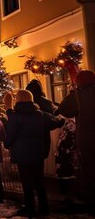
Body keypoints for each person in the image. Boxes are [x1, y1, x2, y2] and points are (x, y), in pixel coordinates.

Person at [5, 90, 63, 217]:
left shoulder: (16, 116)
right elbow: (56, 122)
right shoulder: (40, 115)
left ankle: (30, 208)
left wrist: (7, 143)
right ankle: (44, 208)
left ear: (18, 100)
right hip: (37, 152)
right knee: (39, 181)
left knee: (26, 182)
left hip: (22, 154)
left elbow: (10, 134)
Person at [56, 70, 95, 205]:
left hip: (86, 139)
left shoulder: (77, 96)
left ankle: (91, 200)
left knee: (89, 170)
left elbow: (62, 109)